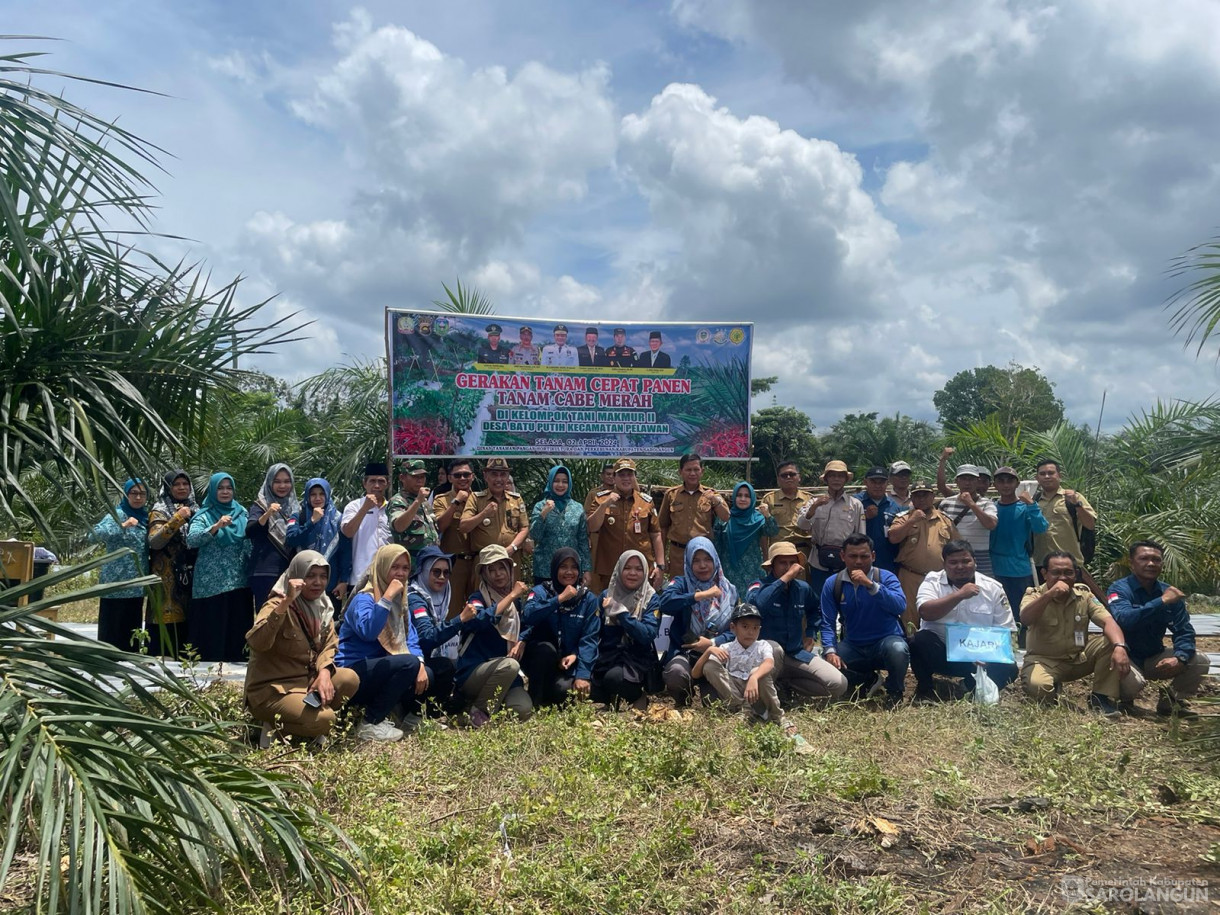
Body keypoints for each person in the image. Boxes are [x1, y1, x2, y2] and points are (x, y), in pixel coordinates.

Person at [244, 550, 359, 741]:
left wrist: (323, 673)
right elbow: (257, 642)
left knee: (349, 679)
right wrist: (287, 601)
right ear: (296, 576)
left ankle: (303, 720)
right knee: (326, 719)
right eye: (310, 575)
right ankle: (277, 726)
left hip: (306, 682)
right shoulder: (276, 605)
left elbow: (329, 645)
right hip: (273, 690)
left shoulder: (323, 607)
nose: (318, 582)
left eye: (323, 576)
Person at [1020, 551, 1131, 717]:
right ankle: (1055, 695)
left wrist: (1120, 647)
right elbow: (1026, 618)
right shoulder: (1034, 595)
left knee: (1111, 642)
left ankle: (1100, 698)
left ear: (1076, 574)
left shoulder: (1084, 595)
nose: (1063, 578)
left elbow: (1108, 621)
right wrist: (1049, 595)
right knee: (1038, 687)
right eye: (1056, 573)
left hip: (1078, 659)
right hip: (1044, 661)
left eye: (1068, 573)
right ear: (1044, 574)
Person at [336, 544, 429, 741]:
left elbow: (410, 638)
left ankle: (398, 714)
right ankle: (371, 722)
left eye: (405, 568)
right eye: (395, 567)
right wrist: (385, 598)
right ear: (382, 567)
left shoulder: (400, 602)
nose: (401, 573)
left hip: (378, 668)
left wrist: (420, 663)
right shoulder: (364, 599)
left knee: (424, 671)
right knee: (408, 664)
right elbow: (369, 631)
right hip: (352, 671)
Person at [1108, 541, 1209, 716]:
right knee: (1134, 685)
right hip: (1126, 656)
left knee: (1199, 660)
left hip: (1154, 656)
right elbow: (1125, 620)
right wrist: (1161, 601)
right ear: (1132, 564)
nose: (1151, 563)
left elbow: (1184, 630)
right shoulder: (1119, 589)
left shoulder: (1169, 593)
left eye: (1156, 559)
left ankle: (1170, 702)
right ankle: (1123, 701)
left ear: (1162, 564)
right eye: (1144, 558)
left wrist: (1180, 657)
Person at [911, 540, 1018, 701]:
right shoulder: (932, 581)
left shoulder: (993, 588)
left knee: (1009, 668)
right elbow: (926, 612)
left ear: (975, 562)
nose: (960, 566)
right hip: (941, 652)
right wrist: (959, 595)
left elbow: (1005, 629)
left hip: (979, 658)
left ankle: (969, 688)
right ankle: (926, 689)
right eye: (953, 562)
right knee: (917, 641)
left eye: (965, 561)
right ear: (944, 564)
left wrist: (990, 655)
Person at [746, 543, 848, 701]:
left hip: (795, 653)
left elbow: (816, 610)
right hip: (766, 656)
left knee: (838, 684)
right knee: (773, 648)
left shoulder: (802, 588)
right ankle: (766, 694)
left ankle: (786, 685)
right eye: (782, 563)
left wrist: (811, 633)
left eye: (792, 563)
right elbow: (758, 604)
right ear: (772, 565)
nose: (788, 567)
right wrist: (785, 578)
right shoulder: (758, 585)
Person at [820, 534, 909, 708]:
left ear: (873, 556)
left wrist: (871, 586)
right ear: (842, 556)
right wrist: (830, 651)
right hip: (854, 645)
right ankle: (869, 679)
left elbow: (900, 606)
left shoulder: (886, 577)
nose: (858, 561)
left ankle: (895, 691)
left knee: (898, 649)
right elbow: (827, 622)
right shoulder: (833, 583)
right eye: (853, 556)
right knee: (825, 663)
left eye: (864, 556)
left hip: (886, 642)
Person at [652, 537, 738, 706]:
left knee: (713, 702)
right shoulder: (680, 583)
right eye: (696, 560)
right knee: (676, 674)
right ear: (688, 563)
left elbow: (736, 631)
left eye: (707, 559)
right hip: (683, 653)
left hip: (715, 656)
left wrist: (712, 642)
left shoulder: (730, 591)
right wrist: (700, 595)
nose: (702, 565)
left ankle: (706, 687)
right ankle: (684, 697)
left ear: (715, 560)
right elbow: (665, 603)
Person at [454, 545, 534, 724]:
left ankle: (479, 708)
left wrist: (521, 641)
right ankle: (478, 710)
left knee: (522, 710)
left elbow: (526, 625)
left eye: (502, 568)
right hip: (475, 671)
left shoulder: (515, 604)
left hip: (505, 675)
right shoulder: (477, 598)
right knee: (510, 665)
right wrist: (511, 596)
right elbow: (481, 620)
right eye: (492, 570)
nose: (498, 574)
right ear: (484, 574)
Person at [521, 547, 602, 707]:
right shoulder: (540, 591)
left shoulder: (588, 599)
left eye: (573, 567)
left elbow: (590, 637)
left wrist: (582, 673)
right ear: (554, 568)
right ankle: (534, 700)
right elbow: (529, 615)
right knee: (544, 650)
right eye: (563, 567)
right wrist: (558, 599)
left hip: (569, 663)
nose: (569, 572)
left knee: (562, 692)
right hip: (543, 661)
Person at [186, 473, 253, 662]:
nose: (225, 492)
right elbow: (192, 539)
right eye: (220, 488)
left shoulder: (242, 513)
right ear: (213, 490)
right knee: (211, 631)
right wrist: (215, 527)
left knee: (237, 631)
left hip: (239, 581)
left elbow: (249, 544)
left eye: (228, 488)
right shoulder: (205, 515)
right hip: (210, 585)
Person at [693, 604, 787, 728]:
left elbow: (769, 663)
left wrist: (754, 677)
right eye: (745, 626)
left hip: (756, 693)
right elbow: (695, 674)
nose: (750, 632)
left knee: (758, 672)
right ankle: (744, 709)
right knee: (710, 665)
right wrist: (709, 650)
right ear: (733, 627)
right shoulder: (727, 648)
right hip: (735, 693)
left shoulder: (762, 645)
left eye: (755, 628)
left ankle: (778, 717)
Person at [796, 460, 866, 621]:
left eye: (840, 476)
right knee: (820, 603)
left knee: (847, 604)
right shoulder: (814, 501)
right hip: (819, 560)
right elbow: (801, 525)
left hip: (845, 562)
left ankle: (846, 640)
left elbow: (861, 536)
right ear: (826, 479)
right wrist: (814, 508)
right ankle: (821, 639)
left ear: (846, 479)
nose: (836, 479)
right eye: (832, 475)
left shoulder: (855, 505)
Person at [408, 546, 473, 717]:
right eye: (436, 572)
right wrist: (460, 620)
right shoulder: (415, 598)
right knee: (445, 667)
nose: (442, 577)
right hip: (411, 662)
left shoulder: (441, 596)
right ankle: (418, 714)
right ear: (423, 571)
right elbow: (427, 637)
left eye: (446, 572)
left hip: (424, 659)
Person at [591, 550, 661, 708]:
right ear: (619, 569)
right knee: (583, 688)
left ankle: (638, 696)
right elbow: (593, 632)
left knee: (614, 679)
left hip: (635, 658)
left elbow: (647, 634)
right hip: (607, 655)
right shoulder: (606, 595)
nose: (633, 573)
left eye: (638, 569)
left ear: (645, 572)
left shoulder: (651, 598)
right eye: (627, 568)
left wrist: (621, 613)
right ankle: (611, 698)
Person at [888, 481, 960, 633]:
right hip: (910, 576)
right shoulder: (903, 517)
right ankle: (911, 652)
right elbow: (893, 537)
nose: (921, 499)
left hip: (938, 578)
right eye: (917, 496)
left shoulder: (945, 520)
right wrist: (912, 521)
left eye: (925, 495)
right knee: (909, 617)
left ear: (933, 496)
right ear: (912, 498)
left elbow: (957, 547)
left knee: (939, 616)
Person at [989, 465, 1048, 644]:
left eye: (1010, 481)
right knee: (996, 611)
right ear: (995, 484)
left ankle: (1022, 646)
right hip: (993, 569)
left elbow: (1041, 527)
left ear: (1017, 483)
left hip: (1019, 569)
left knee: (1020, 612)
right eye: (1001, 481)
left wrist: (1031, 504)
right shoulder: (990, 508)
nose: (1005, 485)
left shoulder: (1025, 507)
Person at [89, 479, 150, 652]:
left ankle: (131, 654)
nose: (138, 497)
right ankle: (109, 655)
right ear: (126, 495)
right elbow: (92, 535)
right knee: (112, 620)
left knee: (132, 620)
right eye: (134, 493)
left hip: (136, 582)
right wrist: (122, 526)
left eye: (142, 494)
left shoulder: (146, 518)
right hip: (115, 581)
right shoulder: (116, 514)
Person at [588, 458, 665, 591]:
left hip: (639, 570)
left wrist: (660, 566)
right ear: (614, 477)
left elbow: (656, 534)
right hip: (610, 569)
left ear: (635, 477)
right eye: (621, 475)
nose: (626, 479)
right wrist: (605, 504)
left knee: (640, 609)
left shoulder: (645, 502)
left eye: (629, 474)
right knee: (609, 608)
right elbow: (591, 527)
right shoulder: (600, 499)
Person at [459, 457, 529, 594]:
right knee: (483, 603)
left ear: (508, 476)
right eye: (494, 474)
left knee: (511, 601)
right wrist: (484, 513)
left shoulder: (516, 499)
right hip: (485, 562)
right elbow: (463, 526)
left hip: (510, 560)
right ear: (485, 476)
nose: (499, 479)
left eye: (503, 474)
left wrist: (512, 547)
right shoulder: (476, 498)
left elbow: (524, 527)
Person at [147, 470, 196, 657]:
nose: (182, 488)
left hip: (189, 576)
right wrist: (177, 519)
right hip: (166, 577)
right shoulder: (159, 510)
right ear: (168, 488)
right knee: (166, 619)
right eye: (177, 484)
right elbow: (155, 541)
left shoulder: (196, 509)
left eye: (185, 484)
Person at [1032, 459, 1099, 596]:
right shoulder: (1034, 500)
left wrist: (1077, 504)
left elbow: (1090, 524)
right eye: (1042, 473)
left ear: (1059, 475)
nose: (1047, 476)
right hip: (1041, 566)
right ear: (1037, 478)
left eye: (1051, 473)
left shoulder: (1074, 497)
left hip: (1069, 566)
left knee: (1074, 606)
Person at [659, 453, 730, 578]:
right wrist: (662, 558)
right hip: (678, 555)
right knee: (679, 590)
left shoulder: (711, 494)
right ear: (680, 471)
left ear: (702, 471)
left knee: (703, 590)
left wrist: (715, 500)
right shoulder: (671, 495)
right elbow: (662, 527)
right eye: (688, 470)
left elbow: (726, 517)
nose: (692, 473)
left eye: (696, 469)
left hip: (702, 555)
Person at [247, 463, 300, 610]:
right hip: (264, 572)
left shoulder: (296, 507)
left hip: (290, 573)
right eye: (277, 481)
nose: (282, 485)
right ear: (269, 482)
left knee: (289, 622)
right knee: (267, 620)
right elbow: (250, 532)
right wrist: (268, 514)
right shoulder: (261, 505)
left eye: (286, 481)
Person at [530, 465, 592, 583]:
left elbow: (583, 540)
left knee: (570, 600)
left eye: (564, 482)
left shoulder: (577, 508)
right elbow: (535, 535)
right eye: (556, 481)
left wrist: (586, 569)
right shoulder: (540, 506)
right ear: (550, 482)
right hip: (545, 568)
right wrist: (543, 513)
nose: (560, 485)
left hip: (571, 571)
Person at [713, 481, 777, 596]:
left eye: (747, 496)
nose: (743, 499)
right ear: (734, 497)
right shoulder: (725, 518)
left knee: (753, 604)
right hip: (729, 570)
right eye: (739, 495)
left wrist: (767, 516)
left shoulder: (758, 518)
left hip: (753, 570)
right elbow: (717, 544)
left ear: (752, 498)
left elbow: (772, 531)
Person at [432, 458, 476, 617]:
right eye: (457, 475)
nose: (463, 478)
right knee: (452, 611)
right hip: (454, 564)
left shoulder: (480, 499)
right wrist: (456, 502)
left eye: (466, 474)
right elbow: (439, 526)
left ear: (473, 476)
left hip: (478, 564)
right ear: (450, 478)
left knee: (478, 609)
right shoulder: (441, 499)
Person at [937, 465, 998, 576]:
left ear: (977, 481)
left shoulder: (987, 503)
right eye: (963, 479)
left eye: (971, 479)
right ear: (957, 481)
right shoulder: (946, 503)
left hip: (980, 557)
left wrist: (971, 504)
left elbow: (991, 525)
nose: (967, 483)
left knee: (983, 589)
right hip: (953, 556)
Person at [340, 461, 391, 589]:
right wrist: (365, 508)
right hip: (361, 577)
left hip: (388, 577)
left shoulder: (393, 508)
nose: (377, 486)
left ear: (387, 484)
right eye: (372, 481)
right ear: (364, 483)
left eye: (381, 481)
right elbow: (347, 532)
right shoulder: (354, 506)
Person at [388, 459, 439, 562]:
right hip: (411, 562)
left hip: (430, 558)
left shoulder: (424, 501)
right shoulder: (398, 500)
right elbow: (398, 526)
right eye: (415, 476)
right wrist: (417, 502)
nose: (420, 480)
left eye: (422, 477)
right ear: (402, 477)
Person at [760, 461, 814, 554]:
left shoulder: (809, 499)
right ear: (778, 479)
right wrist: (765, 555)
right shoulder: (769, 499)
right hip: (779, 550)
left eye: (792, 474)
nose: (788, 477)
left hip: (804, 549)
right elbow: (763, 531)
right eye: (784, 475)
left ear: (799, 477)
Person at [856, 467, 902, 573]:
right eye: (873, 481)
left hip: (887, 562)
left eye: (881, 482)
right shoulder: (855, 502)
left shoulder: (895, 507)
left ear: (887, 483)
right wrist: (864, 517)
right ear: (865, 482)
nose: (877, 486)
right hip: (859, 560)